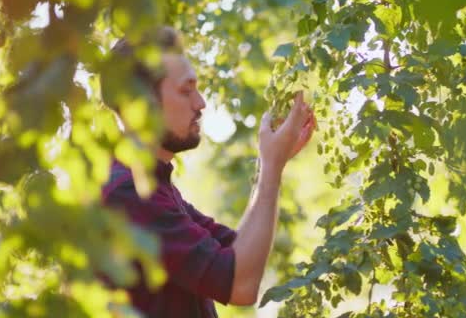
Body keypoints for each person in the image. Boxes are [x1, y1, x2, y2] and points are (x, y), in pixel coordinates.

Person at [100, 26, 316, 318]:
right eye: (186, 90)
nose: (201, 103)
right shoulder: (129, 195)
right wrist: (272, 167)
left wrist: (271, 163)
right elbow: (240, 285)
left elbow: (239, 255)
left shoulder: (154, 187)